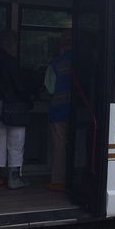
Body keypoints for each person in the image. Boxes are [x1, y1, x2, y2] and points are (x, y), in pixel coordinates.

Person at [0, 30, 31, 189]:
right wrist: (28, 99)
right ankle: (14, 178)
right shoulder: (12, 62)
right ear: (10, 43)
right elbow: (19, 86)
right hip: (14, 105)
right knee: (16, 141)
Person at [44, 30, 72, 191]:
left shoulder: (55, 64)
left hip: (59, 110)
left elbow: (50, 88)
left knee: (60, 146)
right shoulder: (83, 61)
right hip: (81, 111)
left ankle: (58, 180)